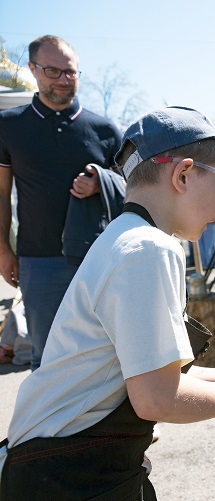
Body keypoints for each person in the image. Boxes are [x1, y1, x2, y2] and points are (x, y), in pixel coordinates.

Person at [0, 106, 215, 501]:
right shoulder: (149, 248)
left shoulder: (125, 237)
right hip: (64, 475)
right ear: (182, 175)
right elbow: (157, 397)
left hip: (58, 463)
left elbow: (152, 372)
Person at [0, 35, 123, 370]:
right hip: (38, 260)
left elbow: (136, 188)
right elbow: (0, 193)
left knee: (103, 355)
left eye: (70, 72)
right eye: (52, 71)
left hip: (96, 258)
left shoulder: (105, 129)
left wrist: (103, 181)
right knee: (47, 358)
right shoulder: (8, 126)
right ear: (32, 69)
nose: (63, 80)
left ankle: (101, 424)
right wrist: (4, 250)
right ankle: (49, 424)